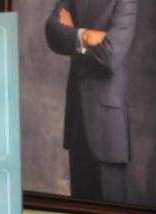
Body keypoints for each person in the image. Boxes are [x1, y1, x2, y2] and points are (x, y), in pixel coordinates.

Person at [44, 0, 137, 203]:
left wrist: (73, 35)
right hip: (77, 122)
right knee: (79, 213)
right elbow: (52, 32)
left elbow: (112, 54)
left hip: (109, 129)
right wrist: (85, 36)